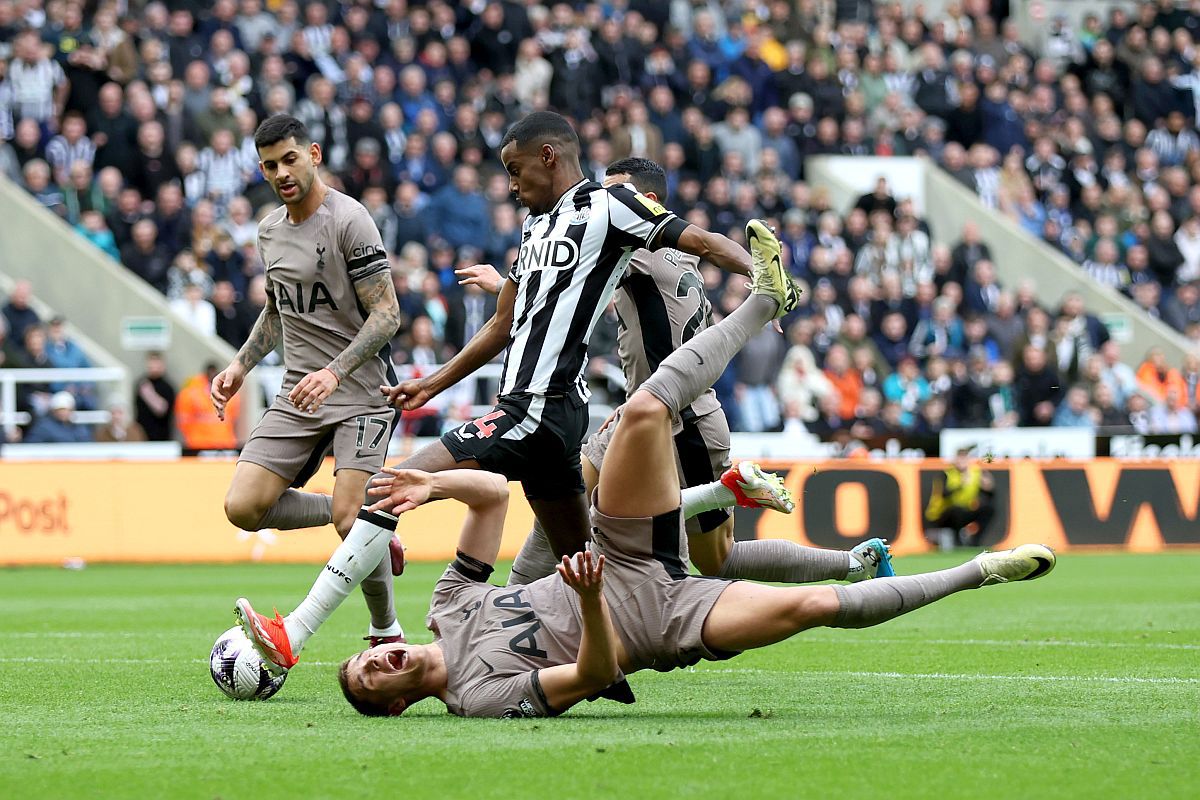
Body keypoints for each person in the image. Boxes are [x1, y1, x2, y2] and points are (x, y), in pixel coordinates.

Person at [234, 222, 1056, 717]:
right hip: (655, 621)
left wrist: (431, 483)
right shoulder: (476, 699)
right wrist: (590, 602)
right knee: (808, 607)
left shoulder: (448, 609)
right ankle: (979, 570)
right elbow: (594, 675)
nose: (380, 659)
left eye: (367, 656)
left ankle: (766, 300)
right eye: (375, 679)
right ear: (399, 703)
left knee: (640, 410)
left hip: (620, 550)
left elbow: (489, 497)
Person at [371, 110, 793, 571]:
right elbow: (512, 317)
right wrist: (433, 382)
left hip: (590, 406)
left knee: (388, 486)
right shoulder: (535, 225)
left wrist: (764, 280)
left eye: (515, 170)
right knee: (578, 561)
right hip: (619, 408)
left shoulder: (615, 213)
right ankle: (589, 633)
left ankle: (359, 628)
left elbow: (704, 242)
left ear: (548, 156)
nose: (511, 186)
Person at [457, 158, 890, 585]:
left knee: (718, 560)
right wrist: (770, 287)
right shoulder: (676, 254)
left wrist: (503, 284)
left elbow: (561, 280)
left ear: (646, 201)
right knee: (565, 503)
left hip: (685, 419)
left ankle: (852, 565)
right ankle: (511, 607)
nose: (603, 205)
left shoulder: (635, 249)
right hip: (646, 409)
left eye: (614, 194)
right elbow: (711, 246)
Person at [209, 114, 405, 647]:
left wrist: (333, 371)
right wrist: (239, 365)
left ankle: (387, 629)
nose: (281, 173)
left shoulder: (351, 220)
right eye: (270, 165)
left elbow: (387, 314)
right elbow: (277, 311)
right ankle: (371, 527)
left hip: (361, 392)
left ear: (313, 154)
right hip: (299, 390)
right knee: (243, 508)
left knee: (350, 522)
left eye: (289, 159)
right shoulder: (269, 230)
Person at [924, 447, 997, 548]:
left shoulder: (975, 472)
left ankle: (975, 541)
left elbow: (989, 494)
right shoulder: (946, 473)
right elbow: (944, 495)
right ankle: (957, 542)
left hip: (964, 511)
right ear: (955, 460)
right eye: (960, 459)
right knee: (956, 510)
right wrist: (960, 485)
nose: (962, 462)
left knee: (989, 509)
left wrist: (989, 488)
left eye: (964, 459)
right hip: (942, 514)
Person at [25, 391, 92, 444]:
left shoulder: (80, 429)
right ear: (53, 411)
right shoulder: (43, 428)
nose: (63, 413)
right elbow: (31, 446)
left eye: (66, 409)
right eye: (60, 410)